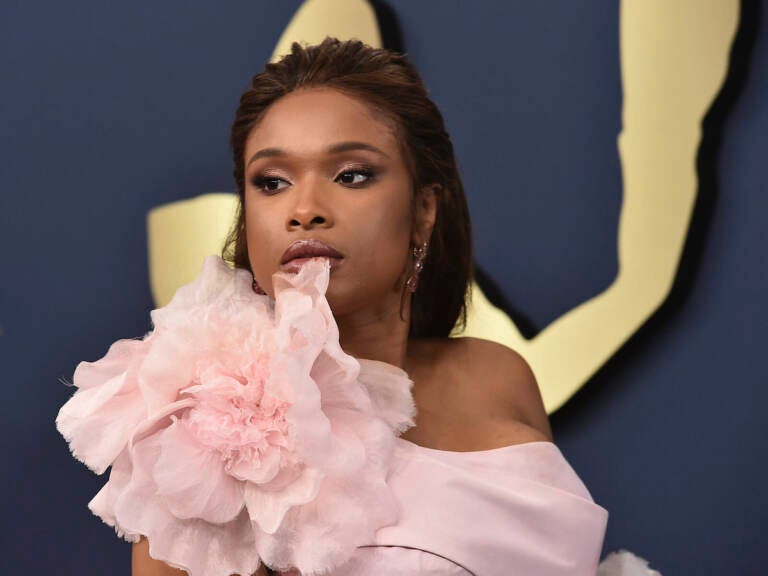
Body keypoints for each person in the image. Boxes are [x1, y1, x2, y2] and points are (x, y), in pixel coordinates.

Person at [131, 36, 609, 575]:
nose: (304, 209)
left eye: (351, 175)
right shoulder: (204, 439)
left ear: (424, 209)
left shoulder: (498, 375)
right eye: (272, 182)